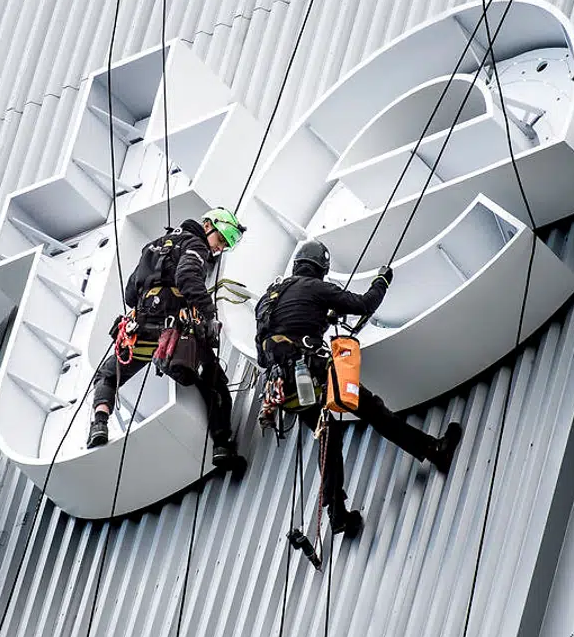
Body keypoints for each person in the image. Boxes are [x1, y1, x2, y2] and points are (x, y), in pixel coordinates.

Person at [255, 240, 462, 539]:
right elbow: (364, 305)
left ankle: (337, 515)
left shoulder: (268, 300)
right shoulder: (316, 288)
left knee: (328, 436)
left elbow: (268, 350)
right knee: (374, 411)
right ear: (321, 270)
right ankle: (434, 450)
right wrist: (381, 281)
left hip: (284, 389)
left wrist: (318, 322)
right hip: (313, 376)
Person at [87, 207, 247, 470]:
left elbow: (130, 294)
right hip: (177, 329)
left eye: (225, 246)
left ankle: (99, 424)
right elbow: (186, 277)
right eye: (220, 240)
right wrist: (209, 315)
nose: (218, 250)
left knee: (107, 375)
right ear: (207, 225)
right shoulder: (196, 246)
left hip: (141, 327)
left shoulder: (152, 247)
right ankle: (221, 446)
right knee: (214, 380)